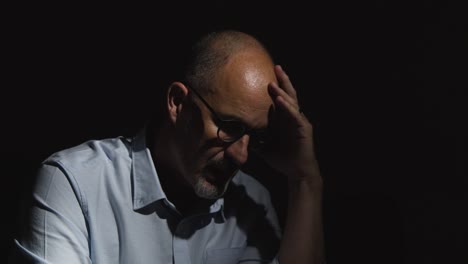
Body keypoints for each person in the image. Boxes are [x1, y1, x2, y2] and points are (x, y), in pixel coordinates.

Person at [10, 29, 325, 263]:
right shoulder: (74, 184)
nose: (241, 155)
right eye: (229, 127)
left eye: (255, 137)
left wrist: (305, 181)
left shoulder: (252, 204)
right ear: (178, 103)